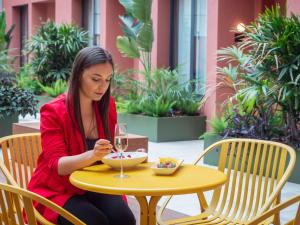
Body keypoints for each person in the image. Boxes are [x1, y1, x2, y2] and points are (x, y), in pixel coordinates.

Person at [27, 46, 136, 225]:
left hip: (93, 183)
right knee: (95, 221)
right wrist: (93, 155)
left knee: (124, 219)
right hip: (57, 189)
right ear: (78, 75)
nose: (103, 86)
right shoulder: (53, 111)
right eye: (96, 79)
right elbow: (58, 166)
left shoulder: (106, 106)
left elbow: (112, 152)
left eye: (108, 80)